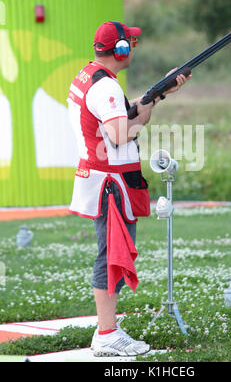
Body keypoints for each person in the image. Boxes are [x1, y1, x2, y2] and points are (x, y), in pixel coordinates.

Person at [67, 21, 190, 357]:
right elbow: (122, 132)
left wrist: (159, 92)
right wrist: (146, 115)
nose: (132, 48)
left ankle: (108, 329)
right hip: (110, 183)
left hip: (102, 179)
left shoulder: (92, 76)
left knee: (111, 254)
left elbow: (119, 112)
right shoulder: (105, 88)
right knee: (111, 257)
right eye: (128, 44)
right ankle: (106, 334)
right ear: (119, 51)